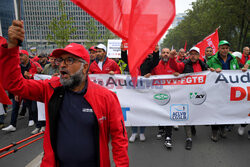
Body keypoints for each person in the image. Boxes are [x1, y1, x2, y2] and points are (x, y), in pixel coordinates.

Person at [0, 20, 129, 166]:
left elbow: (119, 138)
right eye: (61, 60)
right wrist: (11, 48)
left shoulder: (106, 97)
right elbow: (13, 84)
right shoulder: (50, 89)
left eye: (69, 60)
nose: (62, 64)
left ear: (85, 67)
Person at [170, 47, 209, 150]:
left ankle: (193, 126)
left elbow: (210, 75)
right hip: (186, 94)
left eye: (195, 54)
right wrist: (172, 58)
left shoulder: (203, 64)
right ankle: (189, 138)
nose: (193, 56)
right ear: (188, 55)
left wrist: (214, 71)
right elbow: (176, 67)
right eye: (191, 54)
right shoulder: (185, 64)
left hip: (199, 95)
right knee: (187, 115)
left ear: (199, 55)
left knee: (195, 113)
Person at [121, 44, 160, 142]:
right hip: (133, 90)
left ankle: (142, 132)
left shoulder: (149, 62)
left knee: (143, 111)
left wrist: (156, 52)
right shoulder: (132, 60)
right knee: (134, 111)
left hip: (144, 90)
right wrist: (123, 50)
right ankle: (134, 132)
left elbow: (155, 62)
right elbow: (124, 58)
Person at [207, 40, 240, 142]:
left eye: (226, 48)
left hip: (229, 90)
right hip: (216, 90)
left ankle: (222, 128)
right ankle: (214, 131)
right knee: (216, 111)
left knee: (226, 110)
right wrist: (210, 70)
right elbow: (206, 71)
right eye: (223, 48)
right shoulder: (212, 59)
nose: (225, 50)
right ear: (218, 49)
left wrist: (242, 71)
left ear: (228, 49)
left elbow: (237, 73)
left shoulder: (234, 59)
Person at [2, 49, 42, 132]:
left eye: (21, 55)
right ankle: (12, 124)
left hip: (31, 88)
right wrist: (16, 93)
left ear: (27, 56)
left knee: (31, 106)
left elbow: (40, 77)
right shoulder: (18, 66)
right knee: (15, 106)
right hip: (20, 88)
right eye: (18, 55)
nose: (19, 57)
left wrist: (32, 74)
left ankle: (33, 120)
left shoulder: (35, 64)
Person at [151, 48, 179, 149]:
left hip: (171, 95)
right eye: (164, 53)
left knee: (168, 114)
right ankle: (161, 129)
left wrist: (177, 74)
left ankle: (168, 136)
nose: (166, 54)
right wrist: (149, 76)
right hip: (159, 94)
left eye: (167, 53)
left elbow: (181, 72)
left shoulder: (173, 64)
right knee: (159, 112)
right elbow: (152, 78)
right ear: (161, 54)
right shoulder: (156, 65)